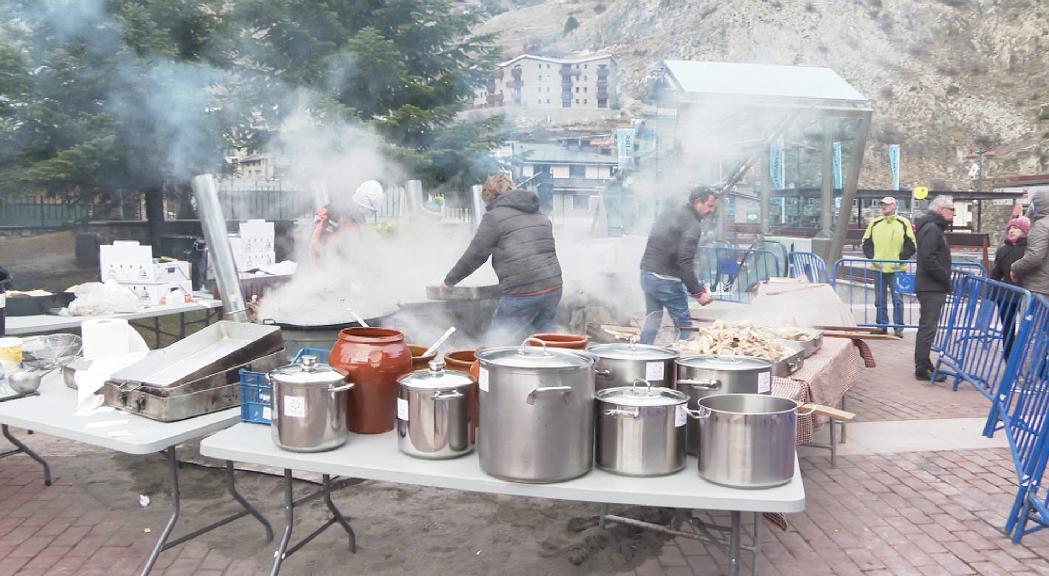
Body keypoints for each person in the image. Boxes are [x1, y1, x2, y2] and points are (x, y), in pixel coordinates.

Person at [443, 174, 562, 346]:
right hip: (553, 288)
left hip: (523, 292)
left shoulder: (494, 217)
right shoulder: (537, 213)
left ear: (489, 194)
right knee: (544, 345)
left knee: (494, 348)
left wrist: (449, 281)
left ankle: (488, 372)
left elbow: (476, 253)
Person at [638, 187, 717, 344]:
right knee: (685, 328)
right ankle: (682, 364)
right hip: (666, 279)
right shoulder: (692, 225)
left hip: (647, 274)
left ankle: (642, 355)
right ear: (697, 203)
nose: (711, 210)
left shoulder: (670, 213)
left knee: (652, 320)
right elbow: (685, 262)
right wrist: (698, 293)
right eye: (709, 205)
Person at [861, 196, 916, 336]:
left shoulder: (903, 223)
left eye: (886, 204)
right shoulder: (875, 223)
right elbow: (866, 242)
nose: (883, 207)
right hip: (878, 268)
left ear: (894, 206)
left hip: (897, 269)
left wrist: (900, 259)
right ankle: (881, 326)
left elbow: (911, 244)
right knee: (880, 300)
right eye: (882, 205)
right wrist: (872, 257)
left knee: (898, 299)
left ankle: (898, 328)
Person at [914, 195, 955, 382]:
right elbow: (928, 257)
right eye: (951, 209)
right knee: (928, 327)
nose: (953, 213)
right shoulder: (932, 229)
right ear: (941, 210)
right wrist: (944, 277)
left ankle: (924, 363)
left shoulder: (933, 227)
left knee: (928, 326)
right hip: (932, 286)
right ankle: (922, 366)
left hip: (931, 285)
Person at [990, 217, 1030, 357]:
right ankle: (1008, 358)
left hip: (1025, 295)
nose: (1012, 230)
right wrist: (993, 294)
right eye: (1010, 228)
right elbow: (996, 273)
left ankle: (1025, 359)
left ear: (1025, 232)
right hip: (1007, 296)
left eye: (1016, 228)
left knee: (1028, 329)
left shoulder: (1029, 250)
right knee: (1007, 329)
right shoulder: (1003, 250)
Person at [1010, 189, 1049, 298]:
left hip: (1039, 287)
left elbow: (1034, 257)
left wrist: (1014, 268)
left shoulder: (1041, 226)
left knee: (1029, 315)